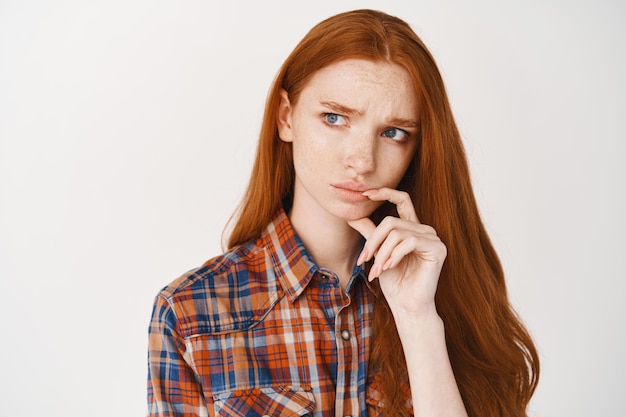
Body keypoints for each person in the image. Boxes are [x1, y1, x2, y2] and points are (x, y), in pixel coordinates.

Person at [147, 9, 539, 417]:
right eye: (334, 118)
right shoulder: (192, 312)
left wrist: (417, 319)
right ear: (286, 117)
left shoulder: (449, 295)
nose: (362, 160)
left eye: (393, 133)